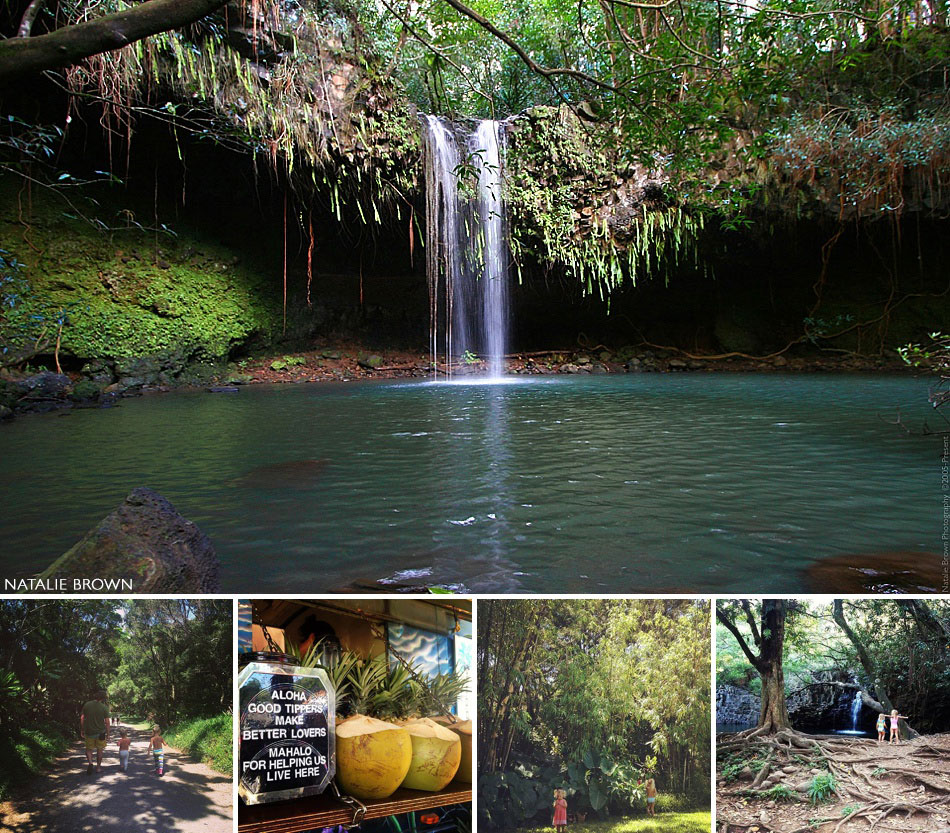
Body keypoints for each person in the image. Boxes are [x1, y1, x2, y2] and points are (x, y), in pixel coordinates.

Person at [80, 690, 110, 774]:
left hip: (89, 732)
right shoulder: (104, 707)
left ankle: (90, 762)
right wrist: (108, 734)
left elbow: (82, 718)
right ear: (103, 698)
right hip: (101, 733)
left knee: (89, 750)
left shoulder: (87, 704)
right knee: (99, 750)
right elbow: (107, 722)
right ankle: (98, 768)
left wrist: (82, 729)